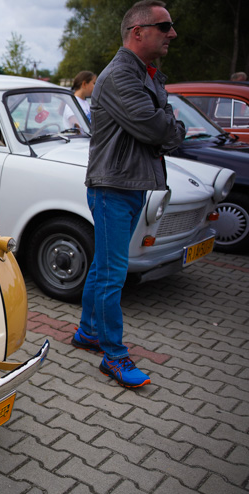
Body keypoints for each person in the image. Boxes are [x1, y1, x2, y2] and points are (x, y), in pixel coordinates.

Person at [73, 0, 185, 389]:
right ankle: (114, 357)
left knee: (106, 267)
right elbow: (160, 130)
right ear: (138, 32)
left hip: (128, 186)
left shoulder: (146, 73)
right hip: (113, 189)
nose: (172, 33)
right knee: (112, 274)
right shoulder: (121, 75)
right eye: (164, 25)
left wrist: (169, 124)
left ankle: (88, 332)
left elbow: (162, 123)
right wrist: (172, 126)